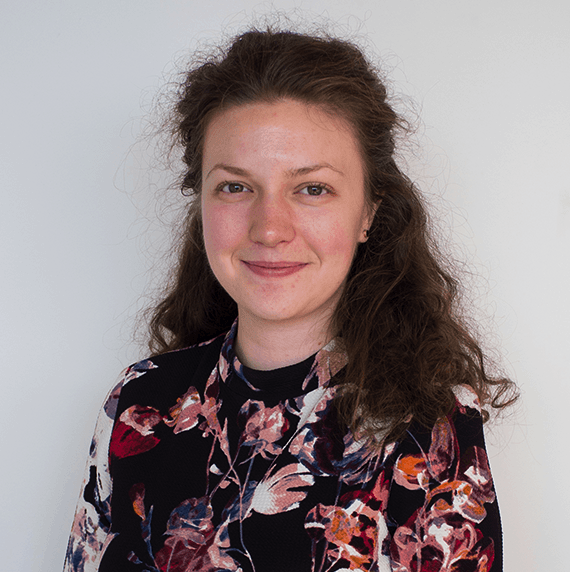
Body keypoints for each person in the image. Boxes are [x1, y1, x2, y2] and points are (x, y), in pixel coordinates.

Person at [64, 28, 517, 572]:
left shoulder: (430, 428)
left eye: (312, 189)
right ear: (201, 204)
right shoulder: (140, 405)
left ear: (368, 212)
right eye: (235, 186)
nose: (270, 228)